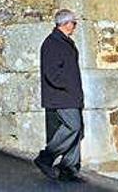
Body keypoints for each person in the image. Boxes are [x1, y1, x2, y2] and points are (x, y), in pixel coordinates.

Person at [33, 9, 85, 182]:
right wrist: (69, 86)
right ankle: (46, 158)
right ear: (66, 23)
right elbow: (52, 73)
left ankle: (68, 170)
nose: (75, 27)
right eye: (74, 23)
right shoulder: (52, 43)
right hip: (61, 95)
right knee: (73, 127)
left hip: (71, 95)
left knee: (77, 132)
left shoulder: (65, 42)